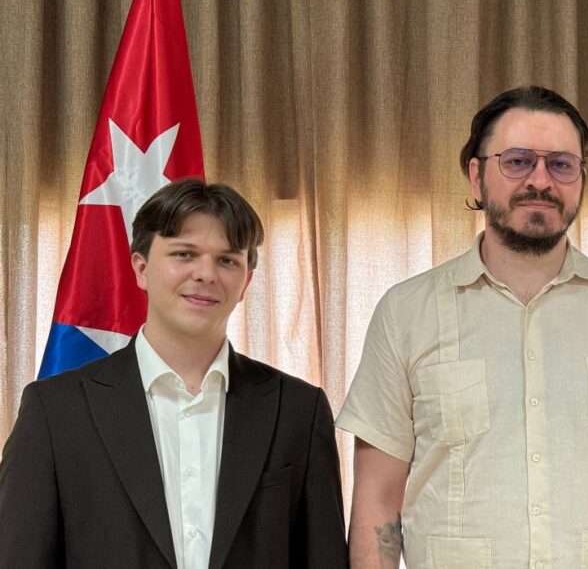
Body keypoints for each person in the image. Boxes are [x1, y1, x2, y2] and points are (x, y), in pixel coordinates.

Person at [339, 85, 588, 569]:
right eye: (517, 162)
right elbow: (378, 498)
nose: (540, 180)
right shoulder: (406, 314)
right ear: (477, 176)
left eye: (561, 164)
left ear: (581, 178)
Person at [0, 180, 349, 568]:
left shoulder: (299, 410)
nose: (206, 274)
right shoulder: (55, 410)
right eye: (185, 254)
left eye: (227, 260)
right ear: (141, 268)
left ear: (246, 282)